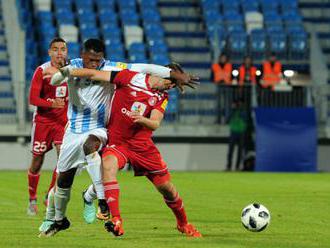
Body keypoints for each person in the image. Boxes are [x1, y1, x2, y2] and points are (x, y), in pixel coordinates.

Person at [38, 39, 198, 237]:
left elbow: (155, 122)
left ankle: (102, 203)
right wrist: (64, 73)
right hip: (98, 135)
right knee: (69, 177)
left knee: (165, 188)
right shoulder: (128, 77)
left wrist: (143, 118)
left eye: (173, 84)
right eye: (170, 82)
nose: (170, 86)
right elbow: (89, 73)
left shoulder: (160, 96)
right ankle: (72, 216)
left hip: (126, 139)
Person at [27, 37, 68, 215]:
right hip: (43, 122)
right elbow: (33, 99)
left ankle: (49, 195)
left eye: (63, 49)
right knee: (37, 161)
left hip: (62, 123)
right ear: (49, 52)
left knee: (63, 161)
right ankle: (32, 199)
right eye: (56, 49)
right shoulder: (42, 71)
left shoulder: (72, 70)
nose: (60, 53)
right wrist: (51, 104)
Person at [226, 99, 248, 171]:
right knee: (230, 151)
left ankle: (237, 167)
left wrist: (240, 110)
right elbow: (227, 119)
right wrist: (233, 110)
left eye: (239, 104)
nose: (238, 105)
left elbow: (245, 118)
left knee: (240, 151)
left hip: (241, 132)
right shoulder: (232, 111)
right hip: (233, 132)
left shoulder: (244, 111)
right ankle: (229, 166)